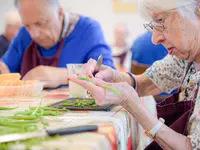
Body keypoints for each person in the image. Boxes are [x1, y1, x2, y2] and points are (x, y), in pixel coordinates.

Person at [69, 0, 200, 149]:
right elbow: (146, 83)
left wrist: (132, 105)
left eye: (161, 20)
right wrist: (112, 75)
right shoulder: (186, 58)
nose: (155, 39)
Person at [0, 0, 115, 88]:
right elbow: (6, 69)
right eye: (28, 26)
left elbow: (108, 75)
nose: (34, 34)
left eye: (41, 23)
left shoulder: (89, 29)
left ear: (59, 13)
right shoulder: (24, 33)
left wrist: (64, 75)